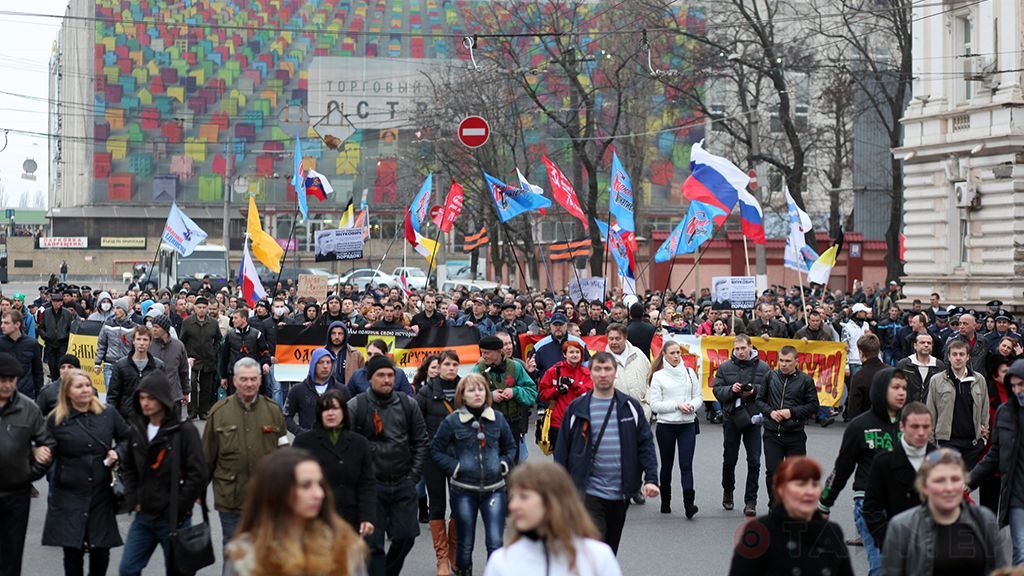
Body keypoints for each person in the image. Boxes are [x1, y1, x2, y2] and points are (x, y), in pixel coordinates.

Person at [554, 351, 660, 555]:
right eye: (598, 369)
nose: (603, 374)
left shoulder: (630, 407)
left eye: (607, 369)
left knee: (610, 549)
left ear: (615, 372)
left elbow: (645, 444)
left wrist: (651, 479)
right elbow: (562, 451)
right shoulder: (577, 408)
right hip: (588, 491)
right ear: (590, 373)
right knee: (596, 547)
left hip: (621, 492)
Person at [42, 368, 132, 576]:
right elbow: (43, 447)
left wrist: (118, 452)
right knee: (72, 552)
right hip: (69, 494)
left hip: (101, 494)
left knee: (101, 551)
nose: (85, 390)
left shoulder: (107, 413)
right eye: (79, 386)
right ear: (67, 392)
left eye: (88, 385)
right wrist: (40, 454)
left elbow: (128, 439)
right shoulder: (56, 419)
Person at [818, 368, 907, 575]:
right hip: (869, 504)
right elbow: (842, 468)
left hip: (905, 504)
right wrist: (824, 503)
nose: (901, 392)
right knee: (881, 567)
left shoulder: (912, 424)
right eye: (895, 387)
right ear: (881, 390)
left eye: (904, 388)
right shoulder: (860, 426)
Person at [223, 448, 367, 576]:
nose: (318, 494)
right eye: (306, 485)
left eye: (320, 484)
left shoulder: (344, 549)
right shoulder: (245, 556)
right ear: (278, 491)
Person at [119, 371, 207, 576]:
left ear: (163, 399)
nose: (145, 403)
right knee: (127, 569)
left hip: (175, 519)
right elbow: (128, 467)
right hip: (144, 517)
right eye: (142, 398)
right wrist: (133, 499)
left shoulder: (184, 431)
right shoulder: (137, 429)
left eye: (150, 398)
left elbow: (198, 474)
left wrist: (180, 505)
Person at [348, 354, 429, 576]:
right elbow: (346, 446)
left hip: (403, 483)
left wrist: (413, 476)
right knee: (373, 544)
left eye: (390, 375)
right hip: (371, 487)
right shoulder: (356, 406)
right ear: (369, 378)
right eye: (381, 375)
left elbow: (421, 441)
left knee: (406, 538)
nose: (386, 380)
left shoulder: (408, 404)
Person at [430, 374, 516, 575]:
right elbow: (435, 450)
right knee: (465, 544)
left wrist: (503, 463)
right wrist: (454, 467)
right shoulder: (452, 421)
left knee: (495, 543)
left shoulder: (498, 418)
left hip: (494, 490)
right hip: (463, 491)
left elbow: (510, 447)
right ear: (462, 395)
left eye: (480, 389)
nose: (477, 394)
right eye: (471, 390)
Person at [883, 448, 1010, 575]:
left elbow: (1000, 571)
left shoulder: (984, 519)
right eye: (940, 481)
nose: (949, 488)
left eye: (955, 479)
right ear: (925, 487)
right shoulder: (902, 527)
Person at [204, 357, 288, 547]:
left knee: (263, 550)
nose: (249, 384)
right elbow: (207, 457)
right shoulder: (219, 413)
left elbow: (284, 455)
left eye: (253, 379)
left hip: (265, 497)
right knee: (234, 550)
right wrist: (198, 491)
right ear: (234, 381)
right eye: (243, 379)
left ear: (260, 380)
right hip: (230, 498)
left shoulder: (273, 411)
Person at [482, 461, 620, 576]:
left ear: (552, 502)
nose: (512, 506)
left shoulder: (598, 558)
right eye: (512, 497)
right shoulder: (501, 562)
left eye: (524, 497)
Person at [729, 456, 854, 576]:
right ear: (781, 490)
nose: (810, 491)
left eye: (815, 484)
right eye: (801, 484)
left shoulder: (831, 532)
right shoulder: (759, 532)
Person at [292, 389, 376, 538]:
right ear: (319, 414)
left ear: (344, 412)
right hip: (315, 519)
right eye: (325, 409)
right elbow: (293, 482)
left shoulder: (360, 443)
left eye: (335, 409)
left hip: (350, 519)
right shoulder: (304, 442)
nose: (330, 414)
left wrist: (367, 517)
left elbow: (366, 483)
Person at [0, 352, 54, 576]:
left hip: (16, 495)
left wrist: (29, 474)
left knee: (12, 555)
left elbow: (47, 443)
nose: (7, 385)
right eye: (2, 380)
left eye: (11, 380)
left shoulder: (28, 409)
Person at [968, 359, 1024, 563]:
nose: (1017, 391)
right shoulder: (1005, 413)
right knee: (1020, 550)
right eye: (1013, 386)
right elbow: (994, 454)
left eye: (1021, 385)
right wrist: (969, 481)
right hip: (1016, 494)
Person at [713, 334, 770, 517]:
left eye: (743, 348)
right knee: (730, 459)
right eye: (737, 349)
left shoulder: (763, 368)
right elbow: (716, 390)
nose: (740, 352)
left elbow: (770, 391)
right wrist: (731, 390)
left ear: (750, 347)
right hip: (732, 418)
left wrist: (754, 391)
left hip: (754, 418)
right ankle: (728, 491)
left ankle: (750, 501)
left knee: (754, 461)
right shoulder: (725, 367)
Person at [755, 345, 820, 505]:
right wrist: (770, 412)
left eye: (788, 361)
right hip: (772, 433)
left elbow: (813, 406)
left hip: (795, 434)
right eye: (781, 360)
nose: (783, 364)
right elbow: (759, 400)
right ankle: (775, 505)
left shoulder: (805, 380)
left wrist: (792, 412)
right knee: (773, 473)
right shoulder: (770, 376)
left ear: (796, 362)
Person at [416, 350, 460, 575]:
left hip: (459, 457)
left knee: (459, 505)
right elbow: (417, 424)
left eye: (455, 364)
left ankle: (454, 555)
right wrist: (428, 447)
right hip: (433, 456)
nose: (451, 368)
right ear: (439, 366)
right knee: (437, 505)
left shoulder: (465, 388)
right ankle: (441, 559)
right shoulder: (425, 392)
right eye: (447, 364)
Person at [648, 341, 702, 517]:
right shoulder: (658, 376)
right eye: (672, 353)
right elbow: (655, 405)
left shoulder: (690, 372)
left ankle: (689, 504)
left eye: (678, 352)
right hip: (666, 425)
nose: (676, 356)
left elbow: (698, 397)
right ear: (664, 354)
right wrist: (677, 405)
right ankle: (665, 501)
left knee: (686, 465)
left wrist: (692, 406)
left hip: (687, 424)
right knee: (667, 465)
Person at [473, 335, 537, 464]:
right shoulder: (478, 370)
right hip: (488, 425)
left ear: (498, 351)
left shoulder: (515, 367)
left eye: (487, 353)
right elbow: (468, 396)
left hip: (512, 424)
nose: (483, 356)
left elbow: (532, 392)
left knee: (512, 463)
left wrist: (515, 392)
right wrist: (490, 396)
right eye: (482, 352)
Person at [926, 339, 989, 469]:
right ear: (949, 357)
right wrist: (931, 442)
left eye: (961, 354)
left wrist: (983, 438)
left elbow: (984, 409)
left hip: (972, 444)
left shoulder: (979, 380)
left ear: (968, 357)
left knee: (968, 481)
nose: (958, 358)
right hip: (947, 442)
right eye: (954, 354)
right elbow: (931, 411)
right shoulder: (936, 380)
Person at [537, 340, 592, 453]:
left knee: (579, 458)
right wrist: (556, 390)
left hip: (580, 422)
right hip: (558, 422)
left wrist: (573, 383)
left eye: (577, 352)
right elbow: (542, 394)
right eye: (571, 352)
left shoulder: (587, 373)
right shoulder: (553, 371)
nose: (575, 355)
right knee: (560, 458)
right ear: (564, 354)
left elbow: (589, 394)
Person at [105, 326, 165, 422]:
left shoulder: (158, 366)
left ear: (150, 342)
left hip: (150, 419)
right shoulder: (121, 366)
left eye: (145, 340)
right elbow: (113, 396)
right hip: (126, 420)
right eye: (138, 339)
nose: (141, 343)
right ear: (133, 341)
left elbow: (163, 395)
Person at [284, 348, 343, 436]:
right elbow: (286, 417)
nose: (325, 366)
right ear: (313, 364)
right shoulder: (298, 390)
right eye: (321, 362)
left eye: (328, 362)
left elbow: (350, 417)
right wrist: (300, 432)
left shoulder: (341, 390)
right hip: (307, 442)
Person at [179, 296, 221, 420]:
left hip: (208, 359)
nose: (201, 310)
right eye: (199, 307)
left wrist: (213, 350)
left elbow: (218, 339)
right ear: (195, 308)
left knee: (206, 386)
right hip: (192, 358)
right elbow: (182, 340)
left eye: (204, 307)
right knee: (191, 384)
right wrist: (186, 356)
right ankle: (192, 410)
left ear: (207, 308)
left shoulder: (213, 323)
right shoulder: (187, 322)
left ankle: (203, 410)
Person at [219, 307, 272, 396]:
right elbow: (224, 357)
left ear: (244, 319)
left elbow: (264, 351)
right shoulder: (230, 336)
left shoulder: (257, 334)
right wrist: (223, 376)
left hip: (252, 374)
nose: (233, 320)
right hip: (234, 374)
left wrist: (266, 363)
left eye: (236, 318)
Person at [605, 323, 652, 422]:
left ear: (625, 338)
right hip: (616, 418)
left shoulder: (638, 354)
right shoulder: (602, 361)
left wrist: (648, 402)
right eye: (611, 339)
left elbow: (650, 378)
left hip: (642, 415)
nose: (614, 342)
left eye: (618, 339)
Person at [147, 314, 190, 412]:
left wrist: (186, 391)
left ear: (165, 329)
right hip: (153, 395)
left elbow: (183, 370)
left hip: (173, 395)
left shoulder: (178, 346)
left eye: (157, 327)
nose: (154, 329)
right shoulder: (149, 345)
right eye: (153, 327)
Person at [93, 298, 136, 389]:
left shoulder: (133, 327)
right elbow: (101, 344)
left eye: (118, 308)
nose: (115, 311)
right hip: (109, 365)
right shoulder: (108, 325)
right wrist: (97, 363)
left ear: (124, 310)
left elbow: (136, 348)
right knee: (111, 393)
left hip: (126, 365)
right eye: (114, 308)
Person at [0, 309, 43, 400]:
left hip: (27, 396)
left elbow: (38, 372)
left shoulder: (32, 344)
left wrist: (39, 395)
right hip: (4, 396)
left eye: (6, 323)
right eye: (2, 322)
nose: (2, 326)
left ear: (17, 324)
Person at [347, 339, 414, 397]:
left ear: (385, 355)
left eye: (376, 354)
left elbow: (408, 400)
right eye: (369, 354)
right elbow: (347, 402)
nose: (372, 357)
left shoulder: (399, 374)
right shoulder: (357, 375)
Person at [844, 334, 886, 419]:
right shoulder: (890, 372)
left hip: (866, 422)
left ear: (861, 353)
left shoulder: (859, 377)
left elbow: (853, 409)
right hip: (888, 423)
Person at [39, 290, 79, 378]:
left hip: (62, 343)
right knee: (52, 365)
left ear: (61, 302)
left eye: (58, 301)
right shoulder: (46, 312)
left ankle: (61, 381)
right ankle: (54, 381)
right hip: (50, 343)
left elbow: (72, 328)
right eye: (54, 301)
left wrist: (66, 336)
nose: (56, 303)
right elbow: (41, 327)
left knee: (60, 364)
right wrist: (45, 336)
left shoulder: (67, 313)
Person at [897, 332, 945, 403]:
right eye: (922, 342)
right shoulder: (904, 365)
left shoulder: (939, 366)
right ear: (915, 346)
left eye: (929, 343)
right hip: (909, 406)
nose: (926, 345)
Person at [324, 321, 365, 390]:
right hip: (326, 393)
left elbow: (362, 379)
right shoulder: (321, 353)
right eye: (333, 333)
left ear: (345, 335)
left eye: (340, 333)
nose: (337, 337)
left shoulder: (356, 354)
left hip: (348, 393)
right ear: (329, 335)